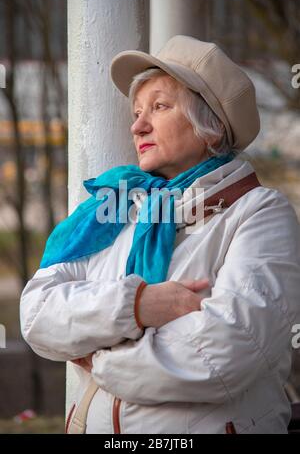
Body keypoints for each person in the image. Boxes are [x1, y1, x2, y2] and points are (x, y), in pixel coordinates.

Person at [20, 35, 300, 434]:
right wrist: (137, 306)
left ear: (211, 126)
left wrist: (97, 356)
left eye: (159, 107)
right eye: (136, 111)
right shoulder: (115, 210)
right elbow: (36, 314)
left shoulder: (259, 213)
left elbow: (224, 353)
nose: (137, 125)